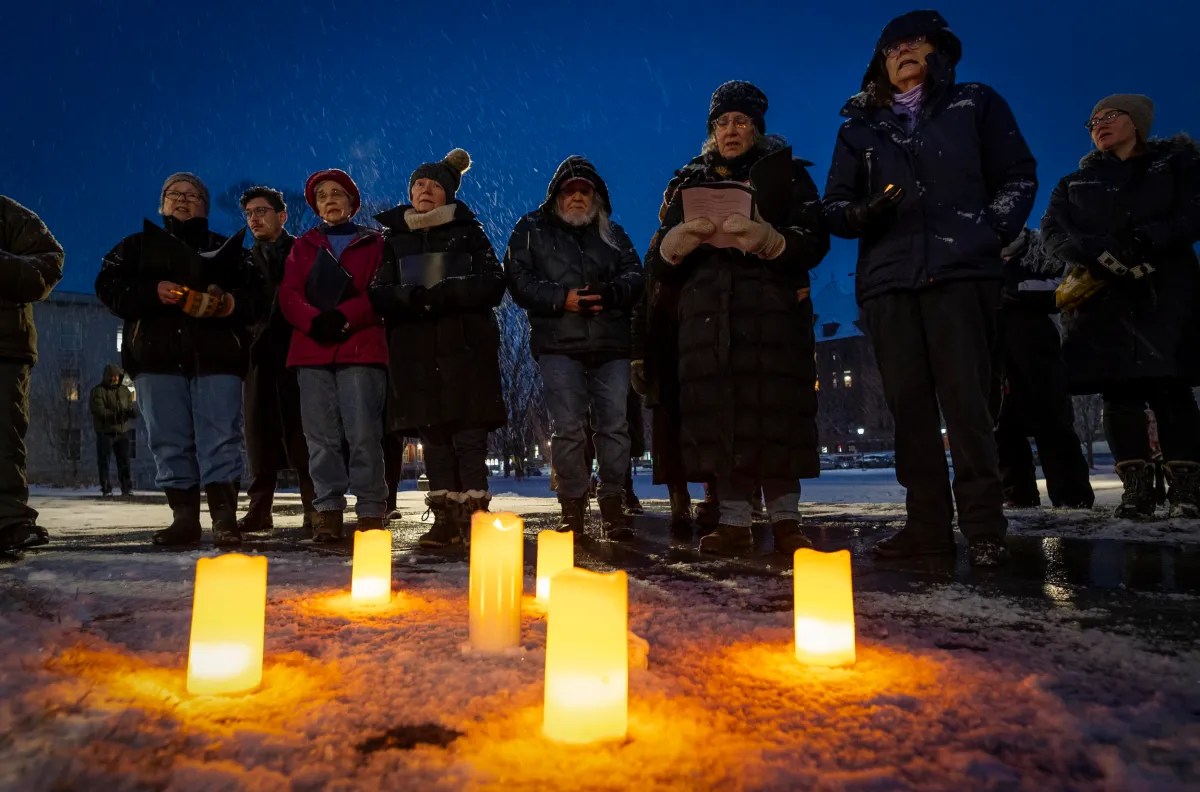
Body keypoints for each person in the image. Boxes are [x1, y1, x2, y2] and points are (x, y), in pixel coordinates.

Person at [822, 11, 1037, 566]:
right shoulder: (859, 128)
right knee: (909, 410)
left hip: (962, 273)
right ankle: (927, 526)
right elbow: (833, 207)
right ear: (881, 62)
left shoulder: (975, 104)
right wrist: (862, 211)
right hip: (890, 282)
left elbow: (1019, 174)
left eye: (915, 44)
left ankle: (985, 529)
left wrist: (987, 231)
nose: (903, 53)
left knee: (968, 403)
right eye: (892, 47)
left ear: (940, 52)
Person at [647, 80, 830, 556]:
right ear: (712, 131)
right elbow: (656, 262)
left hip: (770, 315)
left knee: (774, 413)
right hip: (706, 321)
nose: (732, 130)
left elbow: (814, 239)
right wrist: (676, 243)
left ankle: (787, 521)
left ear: (757, 129)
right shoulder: (689, 180)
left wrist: (772, 240)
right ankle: (733, 522)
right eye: (723, 122)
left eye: (741, 121)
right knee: (721, 417)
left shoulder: (786, 175)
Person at [1041, 94, 1200, 519]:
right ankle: (1137, 490)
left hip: (1164, 295)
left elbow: (1193, 214)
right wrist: (1096, 254)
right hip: (1102, 300)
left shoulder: (1177, 167)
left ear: (1137, 121)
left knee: (1172, 389)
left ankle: (1186, 489)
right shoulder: (1074, 182)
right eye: (1092, 121)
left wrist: (1147, 241)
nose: (1099, 125)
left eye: (1109, 116)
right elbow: (1053, 231)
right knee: (1119, 393)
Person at [95, 173, 260, 547]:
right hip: (156, 358)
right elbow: (107, 287)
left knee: (221, 438)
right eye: (173, 194)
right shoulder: (134, 248)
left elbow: (259, 296)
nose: (182, 200)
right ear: (162, 204)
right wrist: (151, 291)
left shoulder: (230, 250)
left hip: (217, 356)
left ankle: (224, 519)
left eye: (192, 194)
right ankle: (184, 519)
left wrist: (228, 302)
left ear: (205, 204)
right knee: (169, 441)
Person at [370, 148, 507, 547]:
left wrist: (446, 293)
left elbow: (493, 283)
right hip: (416, 356)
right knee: (435, 440)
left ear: (447, 193)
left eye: (433, 184)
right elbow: (378, 293)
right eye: (418, 184)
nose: (425, 190)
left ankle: (477, 520)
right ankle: (445, 521)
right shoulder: (394, 240)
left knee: (468, 437)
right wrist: (413, 297)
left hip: (465, 350)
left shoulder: (469, 233)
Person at [505, 156, 644, 538]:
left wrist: (611, 293)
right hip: (558, 343)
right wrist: (560, 298)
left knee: (615, 427)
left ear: (596, 197)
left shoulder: (612, 234)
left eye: (586, 191)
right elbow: (517, 278)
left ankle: (613, 504)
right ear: (557, 197)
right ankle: (573, 508)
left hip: (610, 343)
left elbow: (635, 276)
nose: (578, 197)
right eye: (571, 190)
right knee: (567, 428)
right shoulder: (531, 230)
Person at [279, 168, 388, 541]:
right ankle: (326, 509)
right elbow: (289, 294)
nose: (330, 199)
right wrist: (315, 321)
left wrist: (345, 316)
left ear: (352, 202)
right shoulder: (303, 245)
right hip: (312, 350)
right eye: (322, 195)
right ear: (315, 205)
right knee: (320, 437)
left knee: (363, 433)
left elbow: (381, 291)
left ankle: (372, 508)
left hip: (361, 347)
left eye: (337, 193)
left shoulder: (376, 244)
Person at [993, 228, 1093, 510]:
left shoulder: (1042, 252)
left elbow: (1064, 287)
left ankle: (1072, 498)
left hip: (1038, 355)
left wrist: (1014, 289)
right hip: (995, 358)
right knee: (1002, 429)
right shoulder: (976, 256)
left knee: (1054, 425)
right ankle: (1016, 495)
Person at [237, 186, 316, 536]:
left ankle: (314, 505)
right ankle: (259, 508)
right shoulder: (242, 261)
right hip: (258, 355)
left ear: (281, 216)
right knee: (258, 431)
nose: (254, 218)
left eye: (261, 211)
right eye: (249, 213)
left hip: (298, 351)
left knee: (305, 429)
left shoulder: (304, 252)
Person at [0, 197, 64, 554]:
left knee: (3, 439)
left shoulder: (10, 216)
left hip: (4, 346)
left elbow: (46, 267)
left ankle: (9, 522)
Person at [89, 364, 136, 498]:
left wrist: (130, 413)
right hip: (105, 432)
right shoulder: (98, 391)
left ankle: (127, 488)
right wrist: (114, 415)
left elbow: (130, 405)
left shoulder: (125, 390)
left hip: (122, 431)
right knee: (104, 461)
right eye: (113, 376)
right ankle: (106, 487)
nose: (115, 378)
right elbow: (98, 410)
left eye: (117, 376)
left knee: (125, 461)